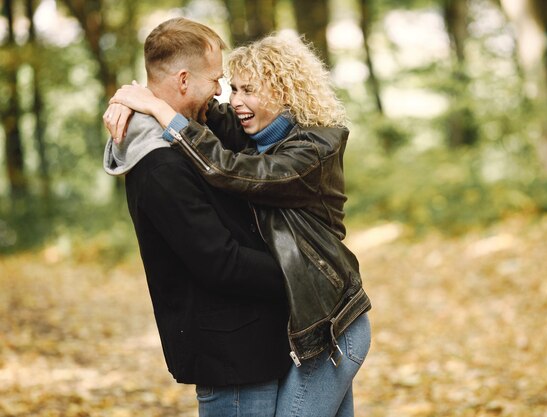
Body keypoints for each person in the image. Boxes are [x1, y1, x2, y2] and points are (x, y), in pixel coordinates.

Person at [105, 33, 372, 417]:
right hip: (309, 323)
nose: (233, 100)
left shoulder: (312, 149)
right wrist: (129, 97)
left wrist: (159, 111)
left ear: (285, 93)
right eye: (231, 87)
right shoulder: (256, 134)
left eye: (249, 90)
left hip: (334, 325)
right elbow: (190, 99)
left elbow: (229, 169)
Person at [101, 18, 293, 417]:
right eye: (216, 79)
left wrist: (137, 96)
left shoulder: (190, 132)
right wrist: (299, 273)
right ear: (184, 80)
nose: (221, 91)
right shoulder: (157, 163)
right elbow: (220, 262)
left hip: (252, 346)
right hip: (231, 360)